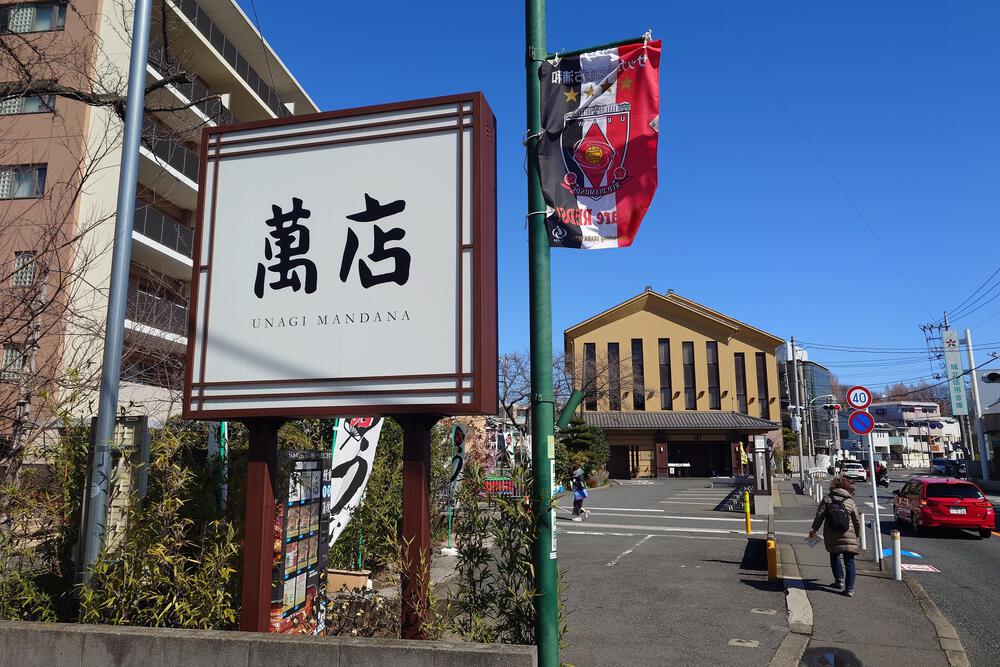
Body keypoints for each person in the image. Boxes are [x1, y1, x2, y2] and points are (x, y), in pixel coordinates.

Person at [808, 476, 862, 597]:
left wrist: (814, 530)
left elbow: (819, 516)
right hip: (848, 534)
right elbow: (857, 520)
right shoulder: (850, 501)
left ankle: (839, 581)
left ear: (834, 486)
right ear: (847, 487)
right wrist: (857, 535)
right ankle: (849, 589)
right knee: (849, 561)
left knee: (834, 555)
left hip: (832, 534)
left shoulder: (827, 498)